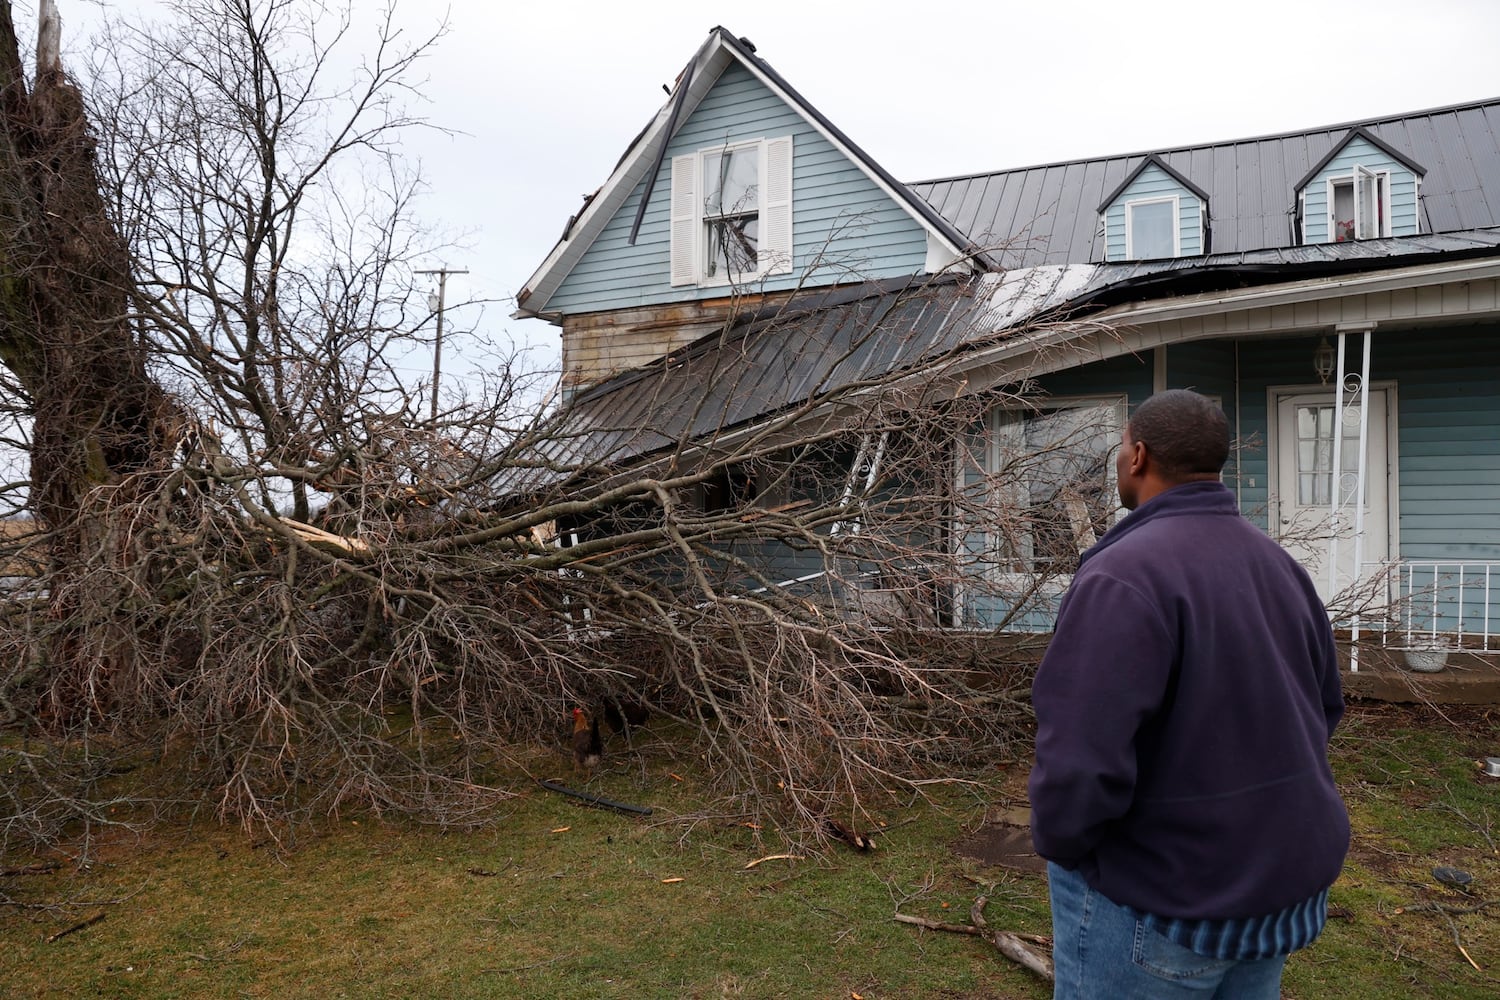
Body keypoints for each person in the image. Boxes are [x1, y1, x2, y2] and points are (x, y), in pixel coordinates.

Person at [1028, 389, 1349, 999]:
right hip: (1275, 886)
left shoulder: (1123, 575)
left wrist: (1064, 847)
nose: (1120, 458)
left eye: (1121, 445)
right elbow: (1323, 708)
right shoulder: (1280, 566)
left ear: (1139, 456)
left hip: (1163, 900)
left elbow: (1080, 759)